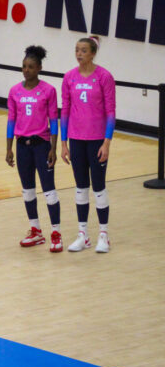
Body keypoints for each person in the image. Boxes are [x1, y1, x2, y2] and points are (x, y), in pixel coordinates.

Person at [60, 35, 116, 253]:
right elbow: (64, 111)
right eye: (76, 50)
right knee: (81, 187)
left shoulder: (104, 77)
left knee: (99, 186)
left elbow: (111, 112)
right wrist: (64, 143)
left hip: (97, 141)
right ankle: (83, 234)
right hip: (76, 140)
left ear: (93, 53)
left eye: (83, 50)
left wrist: (107, 142)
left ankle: (104, 234)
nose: (79, 54)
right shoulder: (69, 78)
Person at [6, 46, 62, 252]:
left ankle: (56, 233)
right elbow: (11, 120)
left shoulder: (48, 90)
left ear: (39, 68)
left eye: (30, 67)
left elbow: (53, 121)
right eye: (24, 66)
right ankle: (36, 230)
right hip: (23, 147)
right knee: (28, 190)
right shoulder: (14, 91)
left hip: (42, 145)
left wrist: (53, 148)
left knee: (49, 190)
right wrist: (8, 148)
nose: (26, 70)